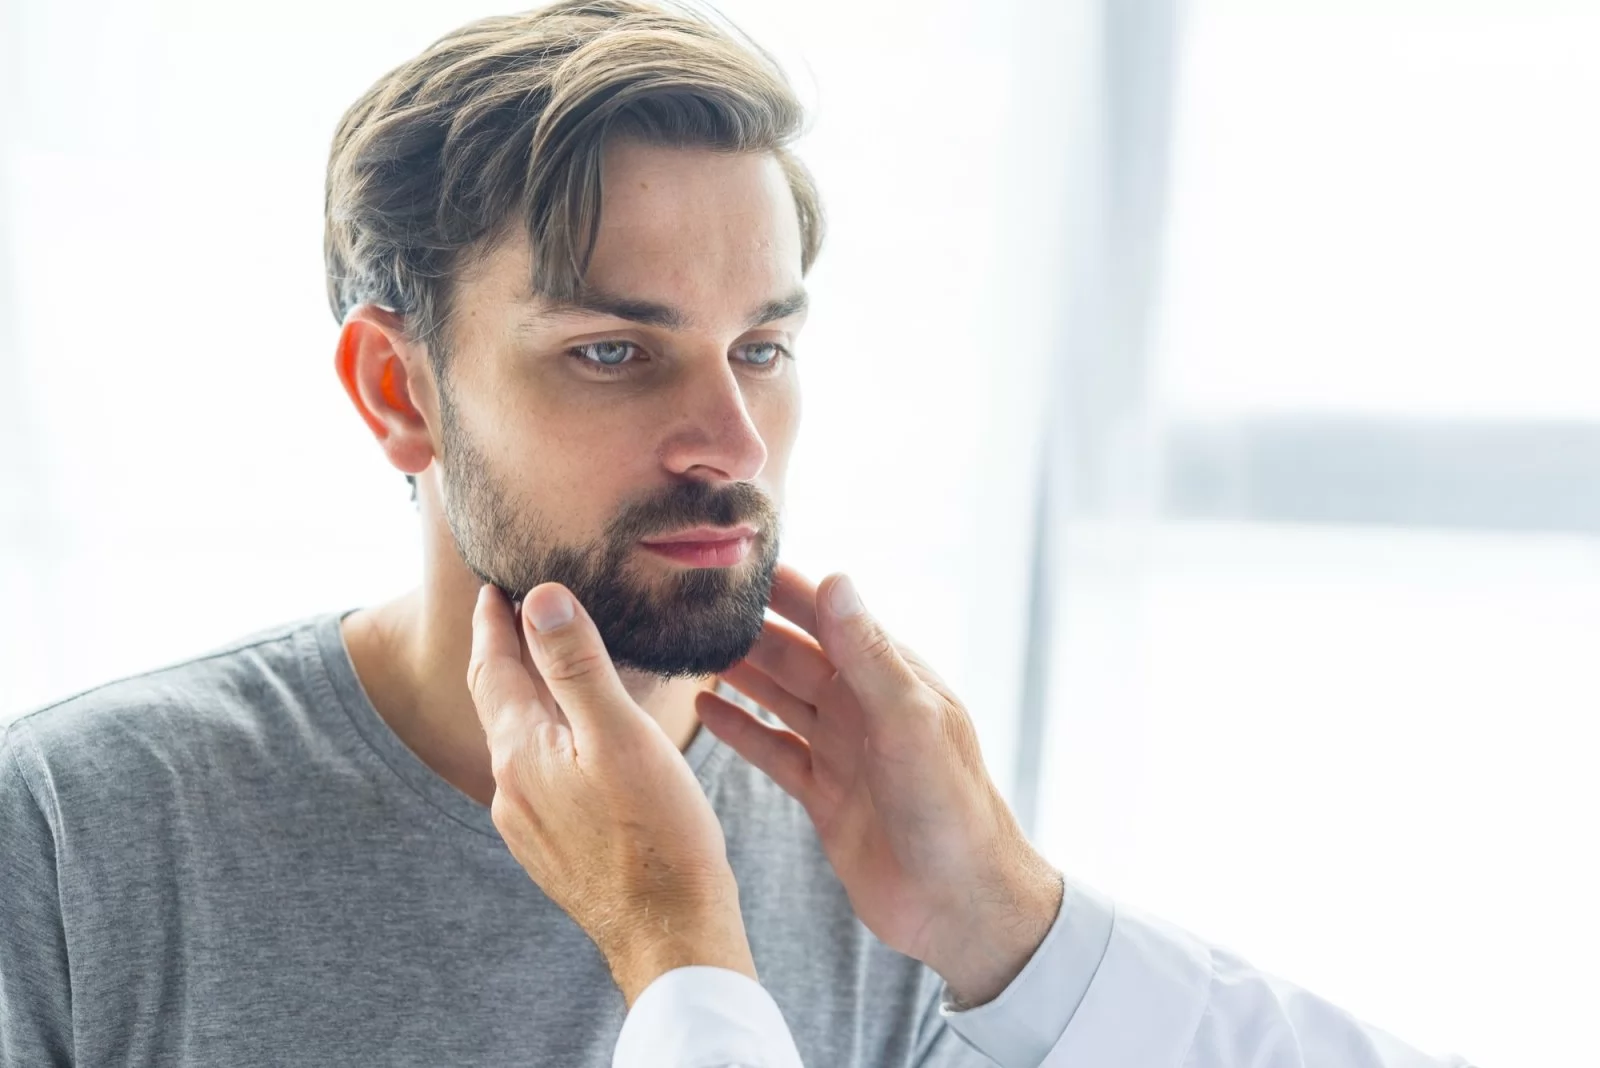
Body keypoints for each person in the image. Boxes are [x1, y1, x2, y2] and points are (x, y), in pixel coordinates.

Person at [0, 3, 1468, 1067]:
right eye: (612, 353)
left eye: (761, 348)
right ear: (402, 390)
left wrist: (1011, 926)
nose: (734, 444)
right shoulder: (81, 838)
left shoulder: (899, 873)